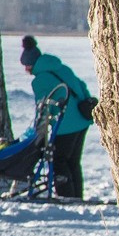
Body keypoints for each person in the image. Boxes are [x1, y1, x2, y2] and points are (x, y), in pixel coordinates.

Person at [20, 35, 95, 200]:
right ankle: (77, 197)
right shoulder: (62, 68)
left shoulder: (40, 80)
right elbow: (81, 86)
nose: (26, 70)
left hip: (65, 126)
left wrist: (39, 128)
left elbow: (43, 107)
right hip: (82, 121)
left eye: (26, 66)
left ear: (31, 65)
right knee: (73, 162)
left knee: (59, 161)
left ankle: (66, 197)